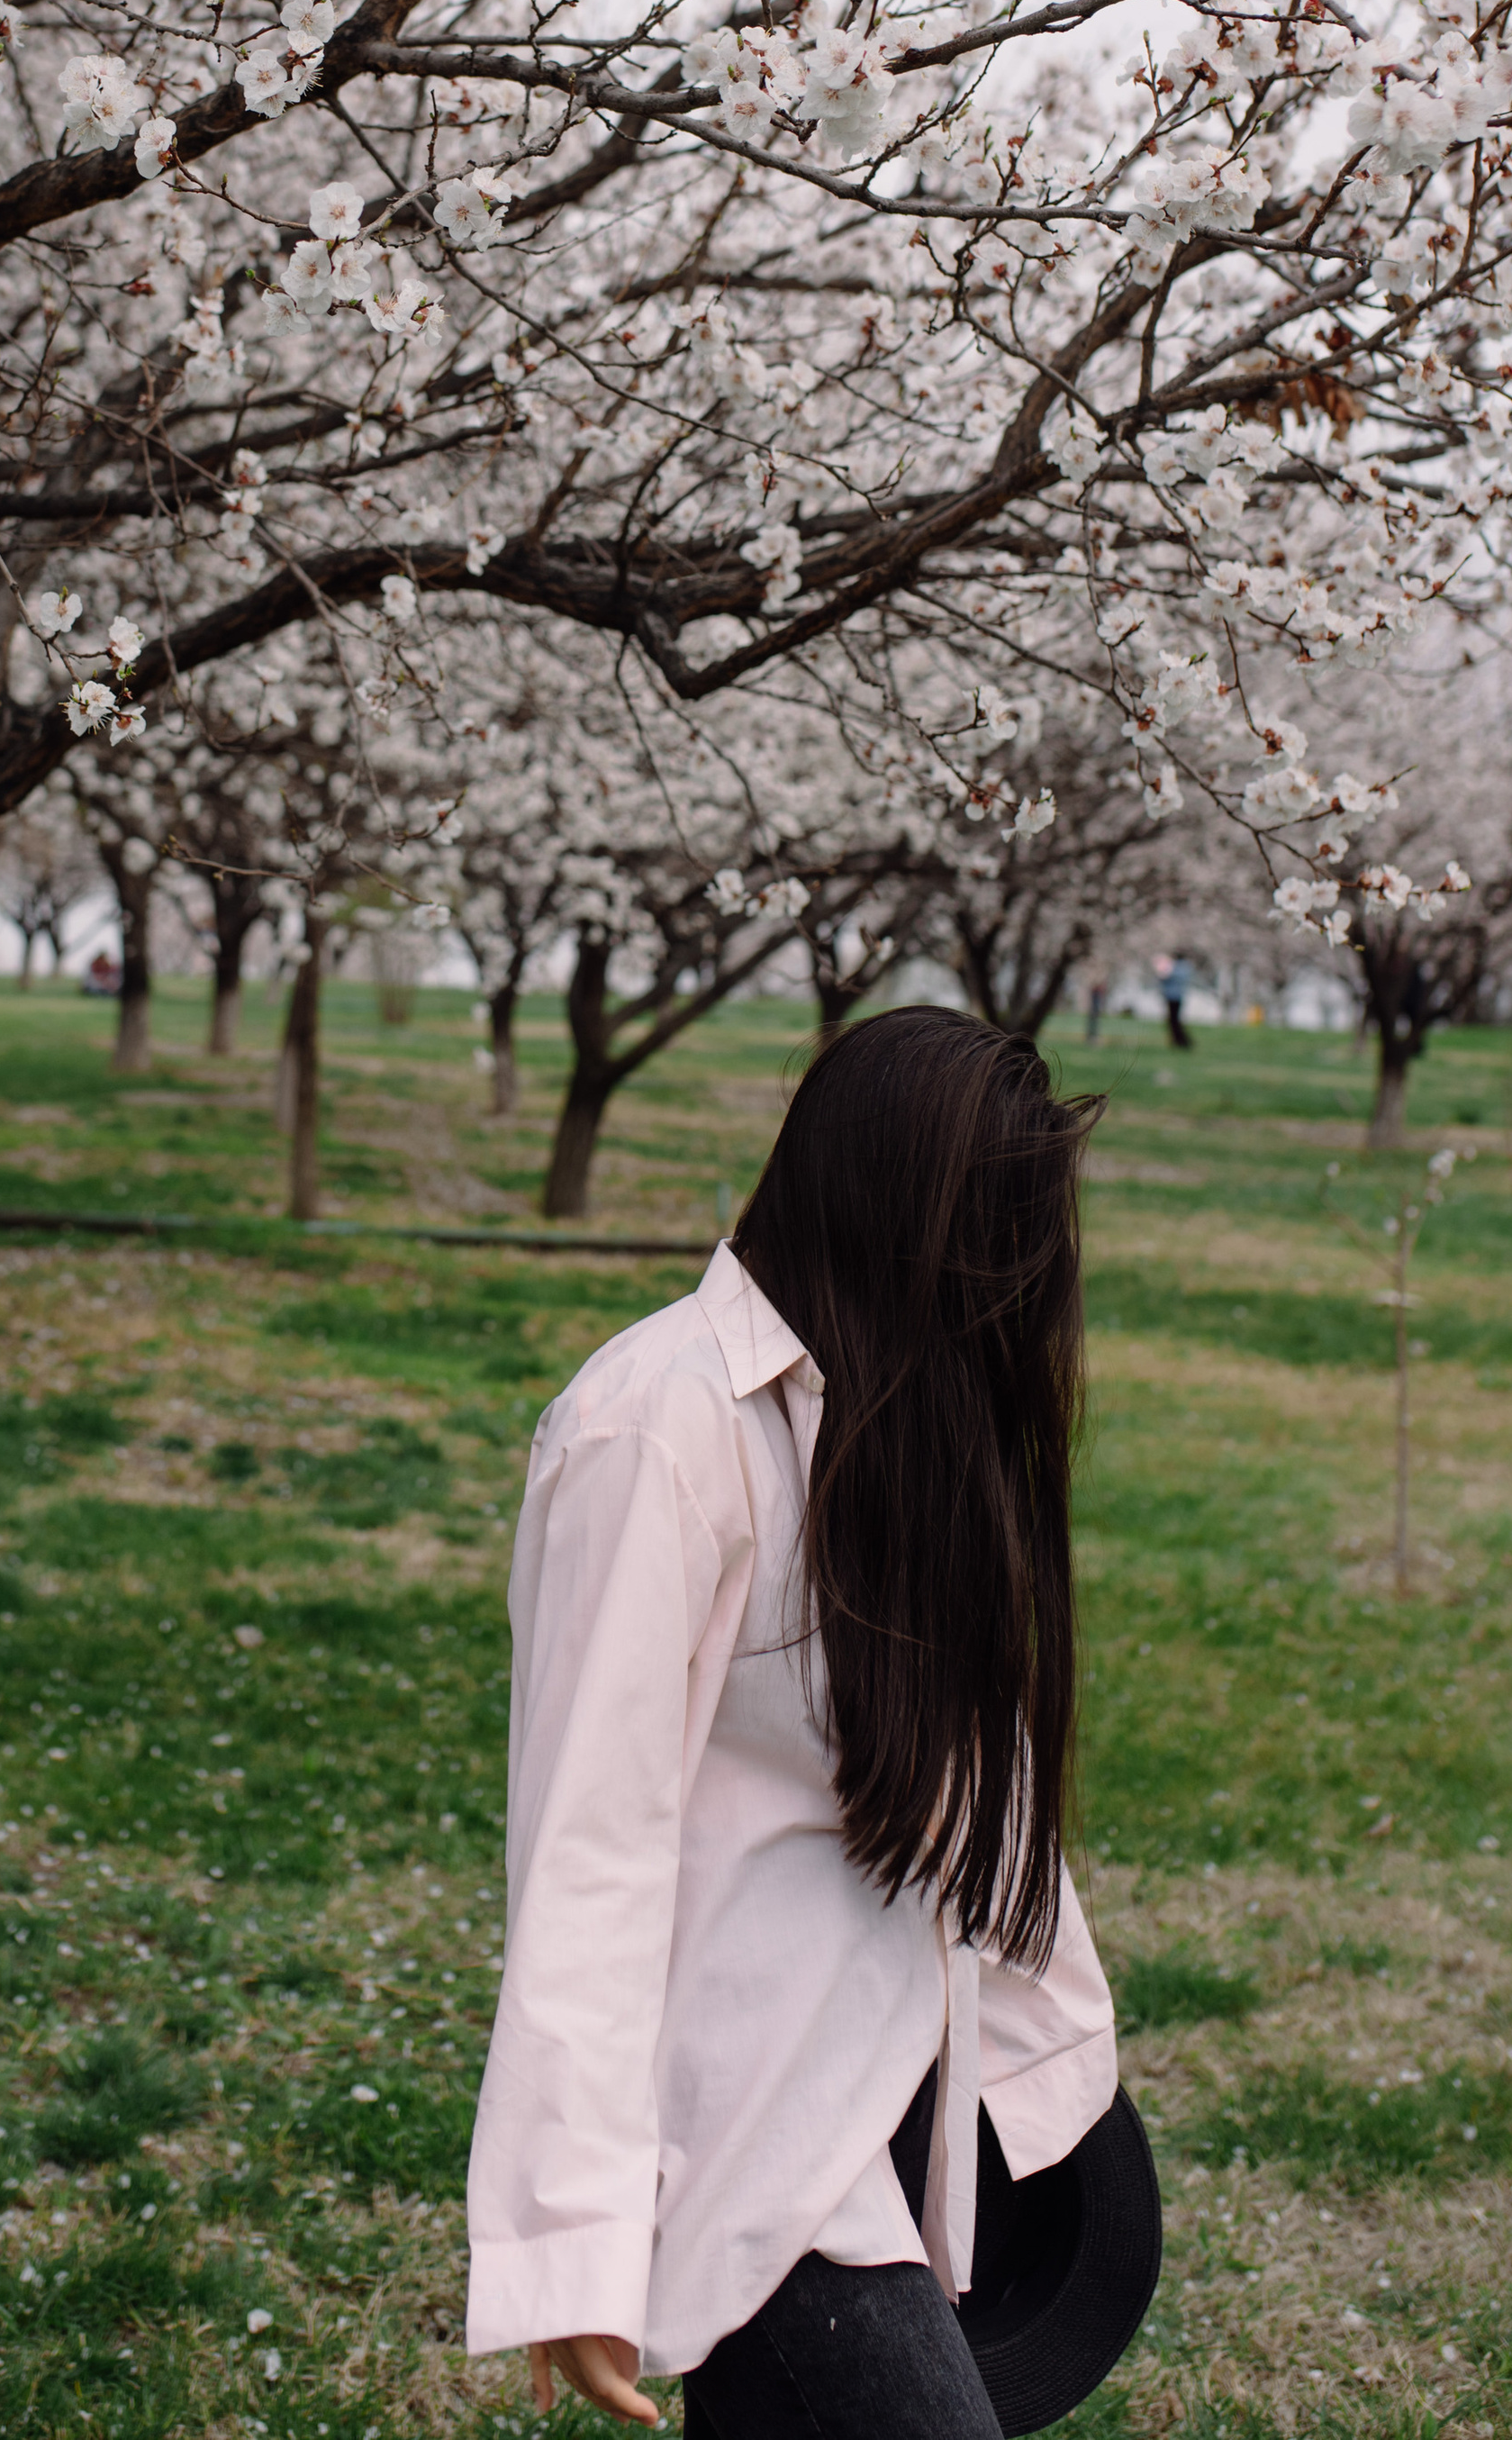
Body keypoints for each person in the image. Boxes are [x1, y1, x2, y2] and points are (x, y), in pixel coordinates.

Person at [466, 1009, 1129, 2436]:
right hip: (759, 2127)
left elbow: (965, 1794)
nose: (1016, 1300)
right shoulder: (659, 1429)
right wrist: (572, 2237)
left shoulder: (895, 1417)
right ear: (893, 1217)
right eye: (990, 1252)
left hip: (906, 2077)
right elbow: (590, 1847)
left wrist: (1048, 2074)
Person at [1153, 952, 1192, 1050]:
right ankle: (1179, 1040)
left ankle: (1181, 1041)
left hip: (1173, 997)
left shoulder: (1176, 968)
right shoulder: (1186, 967)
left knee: (1173, 1020)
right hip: (1177, 997)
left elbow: (1165, 977)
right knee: (1174, 1020)